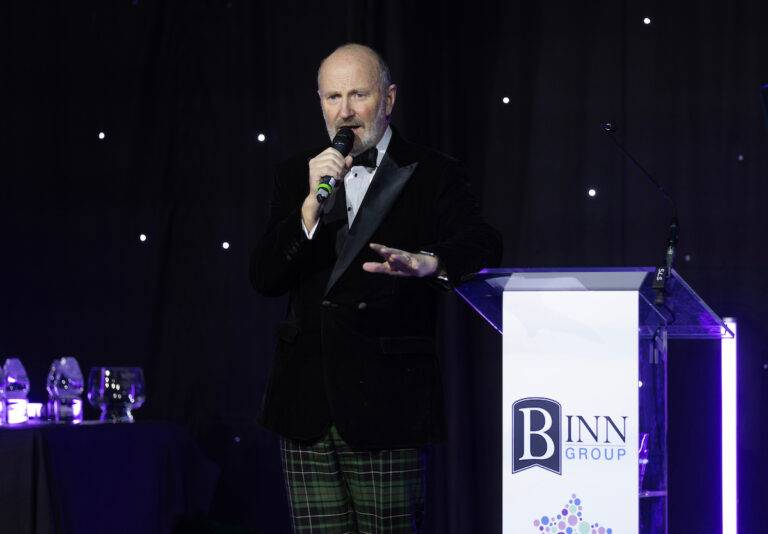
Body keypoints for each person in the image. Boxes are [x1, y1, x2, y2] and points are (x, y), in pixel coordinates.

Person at [250, 43, 501, 533]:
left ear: (388, 100)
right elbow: (263, 277)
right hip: (304, 403)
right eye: (332, 97)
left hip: (387, 402)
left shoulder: (433, 171)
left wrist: (431, 263)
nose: (344, 112)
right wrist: (306, 214)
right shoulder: (297, 174)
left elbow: (484, 243)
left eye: (358, 95)